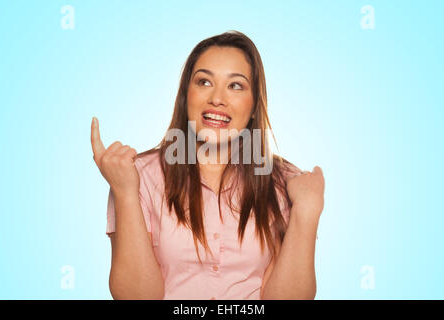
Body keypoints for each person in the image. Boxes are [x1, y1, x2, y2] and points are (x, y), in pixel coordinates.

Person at [91, 30, 325, 300]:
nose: (217, 98)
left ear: (253, 105)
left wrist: (307, 212)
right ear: (185, 94)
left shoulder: (286, 183)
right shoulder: (136, 177)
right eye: (204, 82)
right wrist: (125, 193)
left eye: (235, 85)